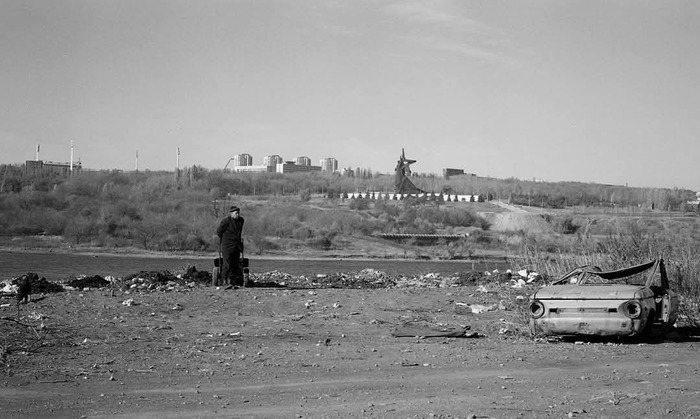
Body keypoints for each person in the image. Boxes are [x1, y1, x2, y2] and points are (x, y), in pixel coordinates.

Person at [216, 205, 245, 287]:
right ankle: (224, 279)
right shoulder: (226, 221)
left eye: (238, 213)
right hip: (227, 245)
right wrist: (225, 239)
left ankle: (233, 280)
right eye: (236, 213)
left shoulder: (241, 221)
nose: (237, 214)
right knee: (227, 262)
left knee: (235, 262)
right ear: (231, 213)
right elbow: (219, 232)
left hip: (236, 245)